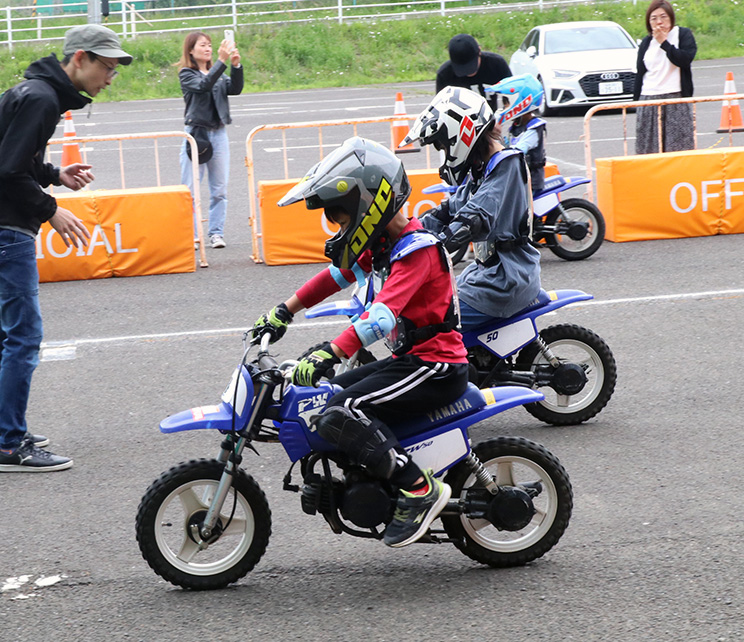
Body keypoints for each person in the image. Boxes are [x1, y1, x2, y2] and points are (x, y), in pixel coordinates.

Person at [250, 137, 469, 548]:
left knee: (341, 410)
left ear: (369, 205)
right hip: (411, 361)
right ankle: (368, 479)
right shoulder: (382, 247)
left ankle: (419, 490)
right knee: (326, 398)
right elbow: (334, 276)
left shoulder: (416, 250)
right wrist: (284, 310)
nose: (339, 229)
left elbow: (381, 316)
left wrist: (331, 351)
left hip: (436, 367)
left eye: (340, 218)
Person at [0, 25, 131, 472]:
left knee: (4, 329)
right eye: (106, 67)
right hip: (4, 228)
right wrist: (51, 209)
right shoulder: (41, 99)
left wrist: (56, 173)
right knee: (23, 335)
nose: (110, 78)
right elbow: (10, 169)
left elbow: (14, 158)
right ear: (79, 59)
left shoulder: (37, 91)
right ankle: (11, 446)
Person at [402, 86, 541, 333]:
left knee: (432, 324)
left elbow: (473, 217)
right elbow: (448, 211)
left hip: (506, 281)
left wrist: (434, 247)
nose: (445, 154)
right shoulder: (481, 171)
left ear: (461, 135)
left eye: (443, 147)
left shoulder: (507, 165)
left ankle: (454, 371)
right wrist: (403, 233)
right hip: (484, 275)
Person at [177, 31, 244, 249]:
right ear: (191, 50)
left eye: (210, 45)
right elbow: (203, 85)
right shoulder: (187, 73)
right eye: (203, 45)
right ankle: (192, 235)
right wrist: (221, 61)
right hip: (196, 134)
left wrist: (235, 66)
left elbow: (234, 89)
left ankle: (216, 233)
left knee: (220, 189)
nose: (208, 49)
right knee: (191, 188)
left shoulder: (219, 73)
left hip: (219, 133)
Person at [633, 0, 696, 154]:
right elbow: (641, 72)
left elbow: (684, 60)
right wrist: (635, 102)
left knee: (678, 146)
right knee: (649, 148)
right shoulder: (647, 42)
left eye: (663, 17)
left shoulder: (682, 34)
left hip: (676, 97)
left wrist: (664, 43)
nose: (659, 22)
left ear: (671, 18)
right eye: (653, 18)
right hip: (649, 98)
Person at [485, 74, 547, 196]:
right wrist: (495, 136)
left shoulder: (534, 128)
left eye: (506, 102)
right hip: (518, 179)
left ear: (521, 101)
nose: (504, 107)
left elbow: (517, 151)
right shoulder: (516, 126)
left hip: (530, 182)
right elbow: (506, 146)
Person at [435, 34, 512, 111]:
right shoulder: (445, 74)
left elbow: (512, 95)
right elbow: (441, 108)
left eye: (471, 65)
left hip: (492, 118)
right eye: (462, 68)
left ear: (479, 51)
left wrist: (502, 117)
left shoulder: (496, 64)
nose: (469, 73)